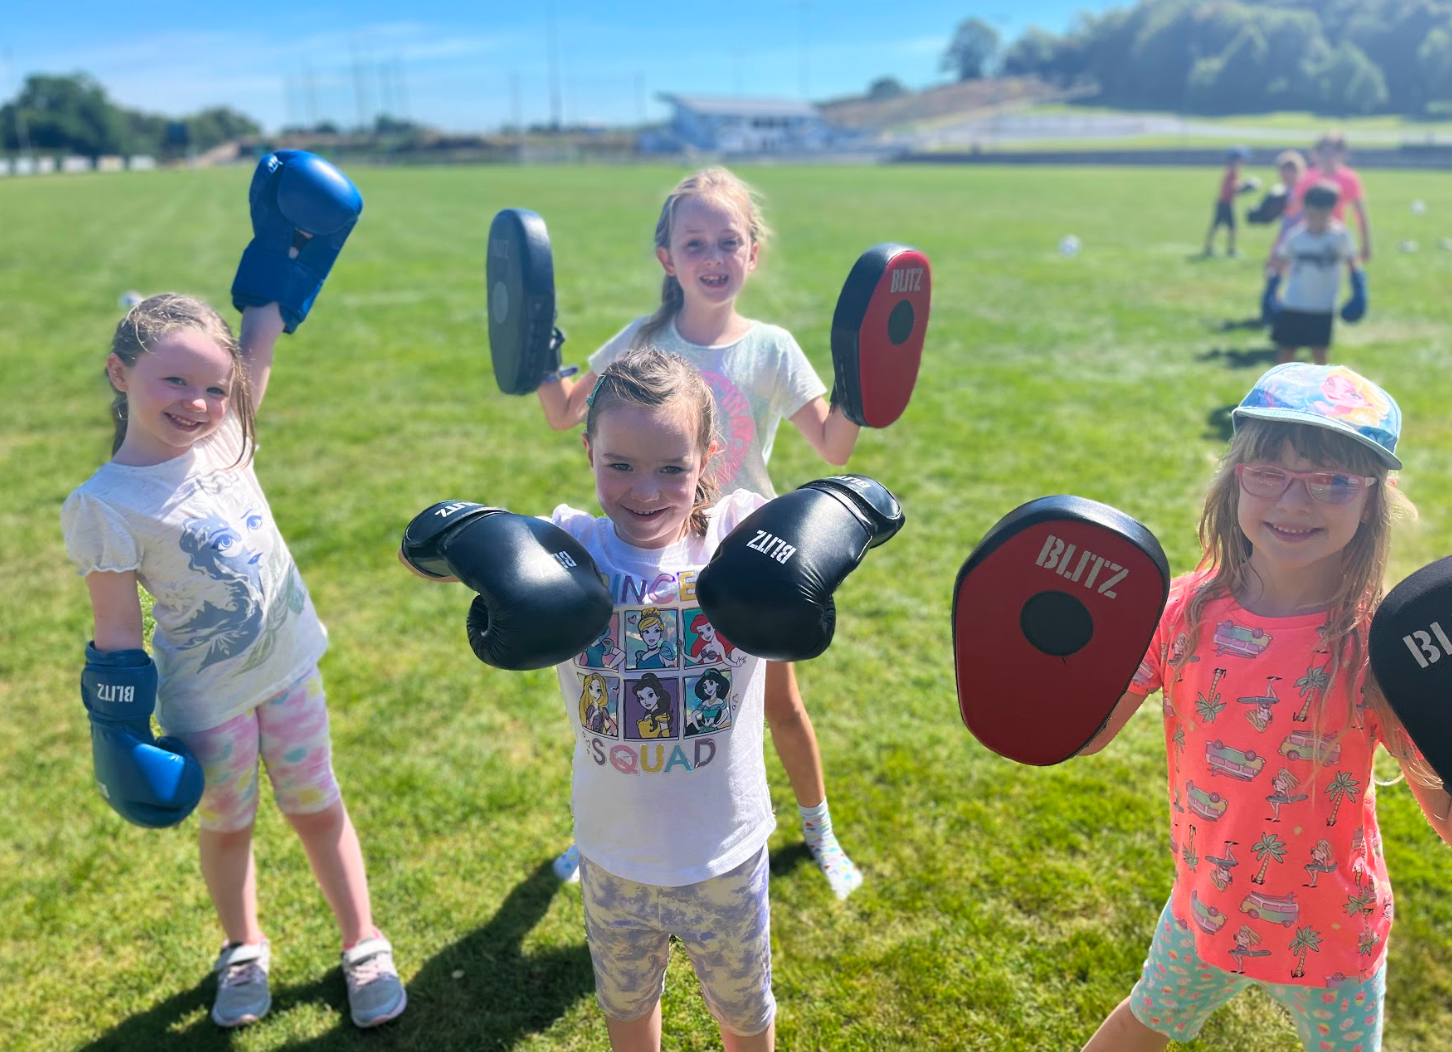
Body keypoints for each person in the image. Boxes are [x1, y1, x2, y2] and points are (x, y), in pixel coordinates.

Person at [405, 349, 780, 1050]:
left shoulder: (737, 535)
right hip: (613, 857)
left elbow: (836, 527)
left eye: (673, 467)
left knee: (746, 1017)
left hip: (724, 854)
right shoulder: (571, 544)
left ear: (709, 456)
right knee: (627, 1011)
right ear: (588, 450)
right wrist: (469, 540)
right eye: (620, 465)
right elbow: (420, 554)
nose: (646, 490)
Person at [1075, 362, 1452, 1052]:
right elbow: (1086, 734)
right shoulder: (1181, 611)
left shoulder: (1374, 648)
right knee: (1145, 1020)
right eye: (1270, 471)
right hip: (1205, 911)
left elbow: (1444, 809)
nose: (1296, 501)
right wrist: (1022, 678)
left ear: (1374, 499)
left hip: (1332, 934)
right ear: (1236, 477)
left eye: (1333, 480)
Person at [60, 294, 406, 1029]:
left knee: (317, 804)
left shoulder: (229, 442)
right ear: (119, 373)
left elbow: (257, 354)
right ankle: (243, 946)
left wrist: (271, 302)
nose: (199, 403)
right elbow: (117, 632)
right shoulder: (106, 504)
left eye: (216, 388)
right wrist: (119, 734)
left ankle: (363, 941)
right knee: (228, 825)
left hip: (288, 672)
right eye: (175, 382)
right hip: (206, 699)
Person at [534, 167, 864, 899]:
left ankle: (818, 830)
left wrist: (868, 377)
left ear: (754, 251)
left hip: (748, 562)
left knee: (781, 708)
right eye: (695, 243)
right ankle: (598, 833)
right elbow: (564, 413)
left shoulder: (771, 347)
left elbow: (834, 448)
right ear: (667, 258)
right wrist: (532, 338)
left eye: (729, 241)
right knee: (624, 700)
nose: (713, 257)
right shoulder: (643, 339)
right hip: (652, 556)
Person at [1268, 182, 1364, 365]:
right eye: (1313, 214)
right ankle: (1277, 390)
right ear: (1305, 211)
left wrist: (1359, 290)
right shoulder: (1296, 236)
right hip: (1294, 303)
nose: (1317, 219)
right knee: (1287, 352)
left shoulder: (1340, 236)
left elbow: (1352, 261)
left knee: (1320, 354)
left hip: (1323, 306)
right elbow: (1279, 261)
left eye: (1322, 214)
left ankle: (1321, 392)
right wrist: (1271, 289)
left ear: (1331, 212)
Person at [1283, 132, 1372, 263]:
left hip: (1333, 235)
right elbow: (1291, 209)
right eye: (1323, 152)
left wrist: (1365, 244)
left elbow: (1359, 212)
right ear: (1316, 153)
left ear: (1342, 153)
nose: (1327, 157)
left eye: (1332, 152)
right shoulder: (1308, 177)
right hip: (1308, 234)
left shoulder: (1348, 179)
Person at [1203, 146, 1258, 257]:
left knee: (1217, 226)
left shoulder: (1232, 171)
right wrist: (1247, 186)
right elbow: (1232, 188)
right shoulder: (1232, 172)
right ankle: (1230, 250)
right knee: (1231, 227)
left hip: (1223, 203)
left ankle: (1210, 247)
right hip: (1225, 204)